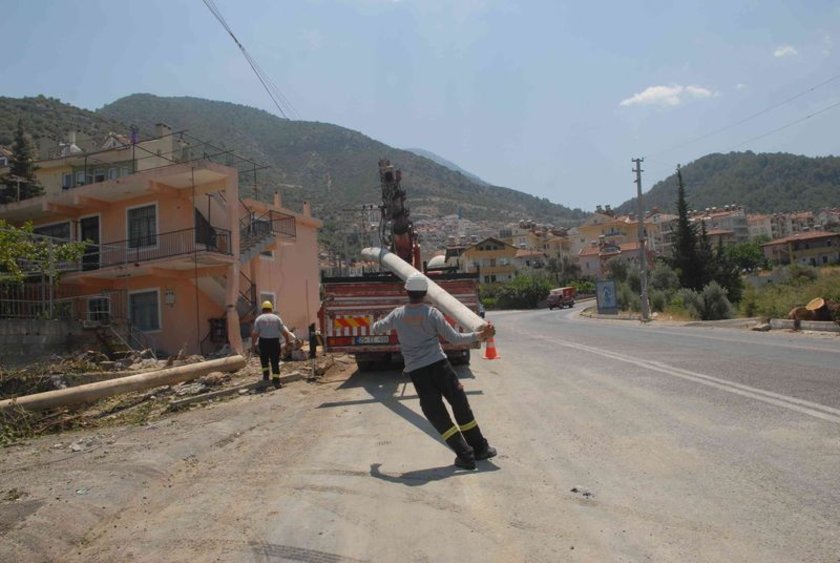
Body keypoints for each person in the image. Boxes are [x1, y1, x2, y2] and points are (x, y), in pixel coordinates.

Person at [371, 272, 497, 470]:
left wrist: (376, 322)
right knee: (460, 405)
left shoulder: (397, 314)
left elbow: (376, 328)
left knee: (436, 414)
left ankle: (465, 455)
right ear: (425, 293)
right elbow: (455, 339)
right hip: (441, 367)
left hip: (418, 373)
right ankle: (480, 448)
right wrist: (479, 335)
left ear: (407, 292)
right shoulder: (432, 313)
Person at [251, 300, 296, 389]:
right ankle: (276, 381)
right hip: (275, 343)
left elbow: (255, 334)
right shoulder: (276, 318)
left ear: (263, 309)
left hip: (263, 343)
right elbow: (285, 332)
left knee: (264, 360)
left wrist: (253, 344)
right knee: (275, 361)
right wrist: (287, 341)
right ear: (271, 309)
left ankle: (266, 377)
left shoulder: (259, 319)